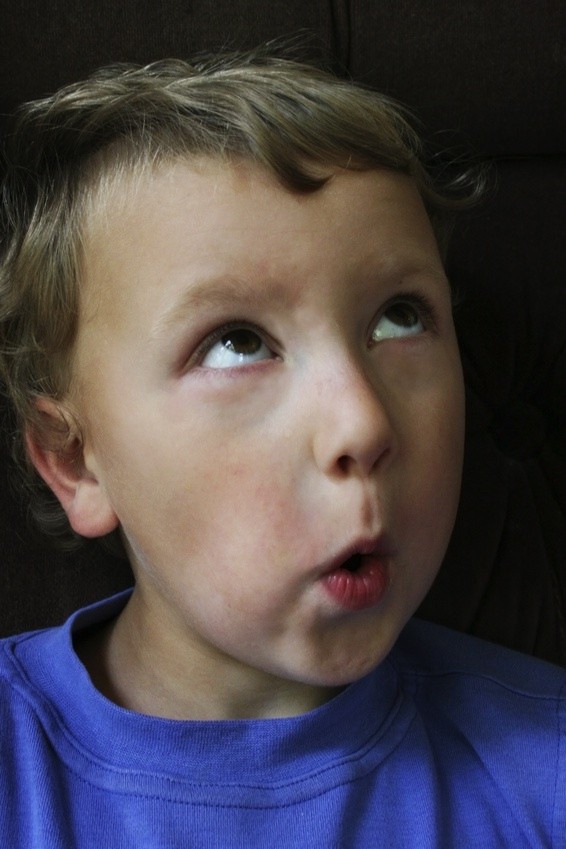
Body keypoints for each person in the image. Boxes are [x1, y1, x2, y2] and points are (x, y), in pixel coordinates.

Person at [0, 50, 564, 848]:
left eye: (400, 317)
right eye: (236, 342)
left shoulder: (545, 768)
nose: (363, 423)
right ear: (74, 459)